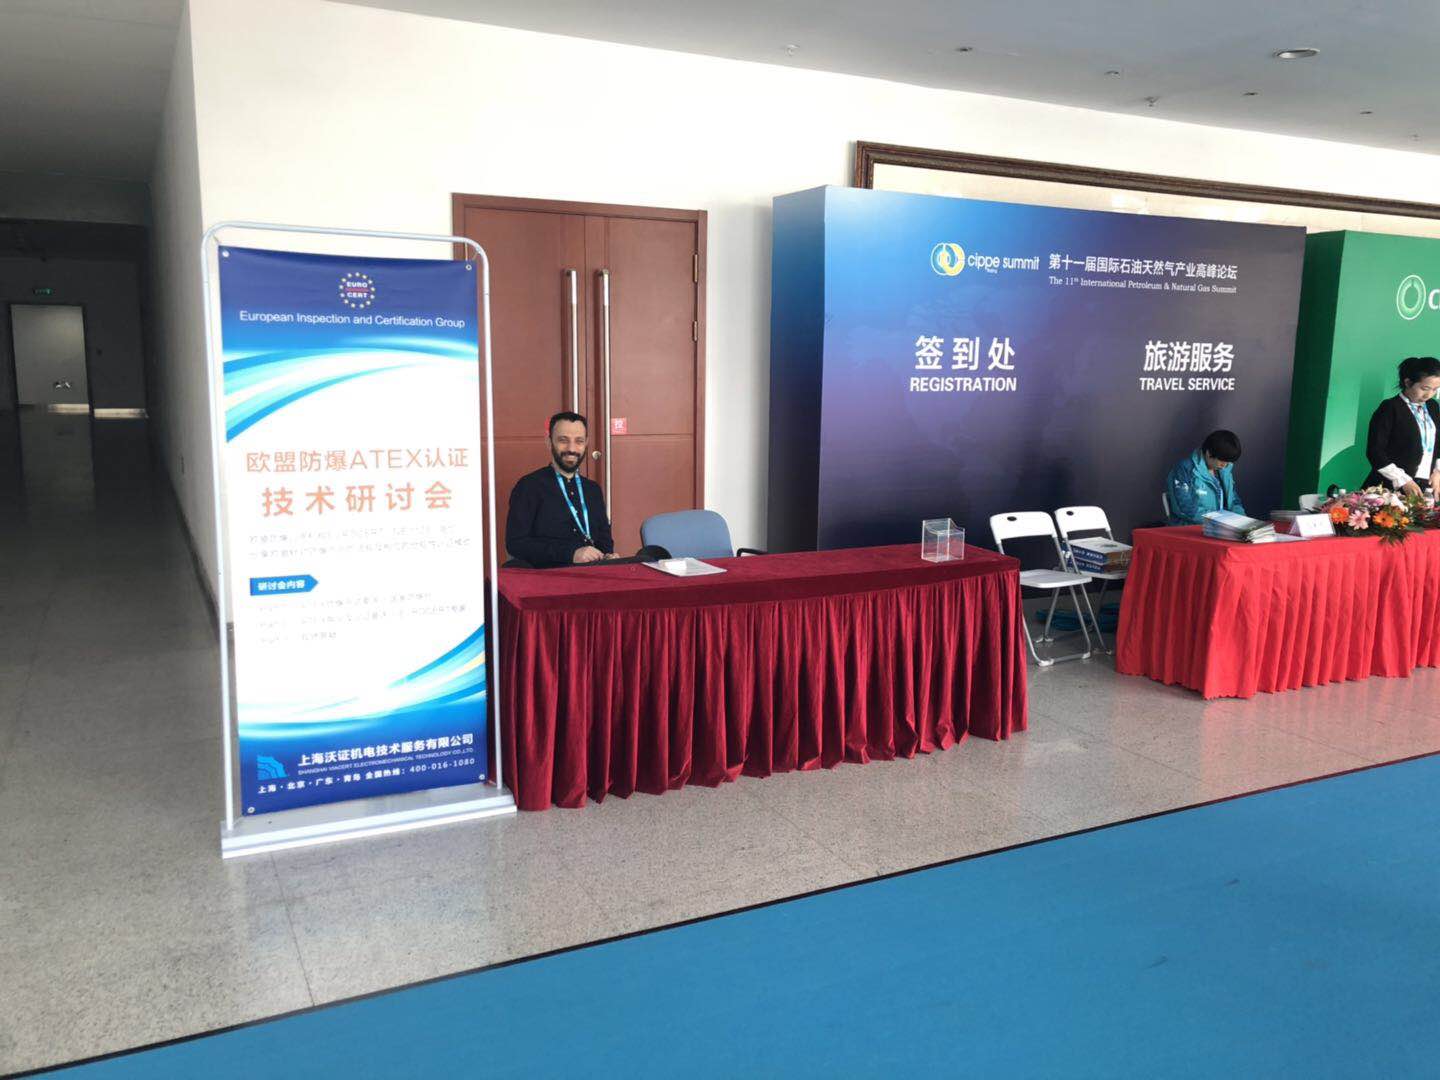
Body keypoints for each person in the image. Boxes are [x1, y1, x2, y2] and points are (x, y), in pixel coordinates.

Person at [505, 411, 668, 568]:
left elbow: (604, 540)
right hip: (551, 576)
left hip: (595, 572)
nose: (572, 448)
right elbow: (516, 544)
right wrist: (570, 554)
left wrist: (608, 555)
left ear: (586, 444)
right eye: (563, 440)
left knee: (649, 560)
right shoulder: (528, 487)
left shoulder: (592, 489)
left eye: (579, 441)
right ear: (549, 442)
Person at [1364, 356, 1440, 498]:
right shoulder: (1390, 407)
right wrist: (1402, 479)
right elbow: (1375, 451)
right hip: (1389, 486)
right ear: (1408, 382)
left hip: (1424, 486)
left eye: (1435, 389)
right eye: (1425, 388)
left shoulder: (1433, 406)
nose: (1429, 395)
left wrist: (1438, 471)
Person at [1165, 430, 1246, 525]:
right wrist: (1221, 520)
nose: (1224, 465)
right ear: (1208, 453)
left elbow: (1234, 501)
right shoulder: (1184, 469)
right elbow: (1184, 508)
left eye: (1228, 461)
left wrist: (1243, 522)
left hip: (1221, 526)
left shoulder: (1224, 471)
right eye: (1222, 460)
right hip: (1190, 528)